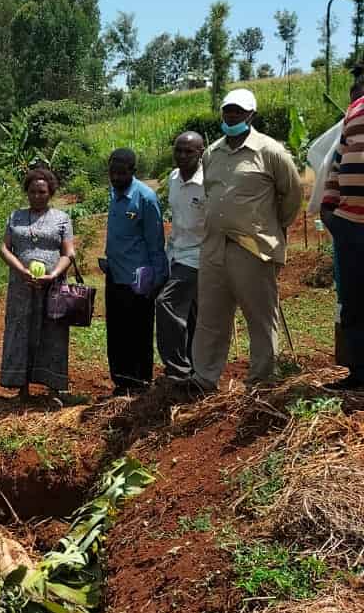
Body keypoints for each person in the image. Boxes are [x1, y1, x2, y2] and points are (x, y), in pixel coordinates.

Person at [191, 90, 302, 391]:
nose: (232, 116)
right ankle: (204, 378)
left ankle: (261, 381)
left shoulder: (270, 151)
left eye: (239, 111)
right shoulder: (212, 152)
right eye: (228, 110)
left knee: (260, 318)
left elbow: (292, 195)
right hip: (214, 248)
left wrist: (271, 228)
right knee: (210, 318)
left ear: (251, 115)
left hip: (253, 249)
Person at [0, 167, 75, 400]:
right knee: (21, 330)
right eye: (32, 191)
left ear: (50, 192)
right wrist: (22, 270)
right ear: (27, 192)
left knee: (53, 331)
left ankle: (54, 386)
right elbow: (4, 248)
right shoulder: (16, 216)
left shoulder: (62, 219)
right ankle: (21, 386)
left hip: (52, 286)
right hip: (21, 286)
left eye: (42, 192)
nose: (37, 196)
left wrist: (53, 274)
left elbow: (69, 253)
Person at [309, 66, 364, 372]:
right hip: (348, 223)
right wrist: (329, 209)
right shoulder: (354, 111)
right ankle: (358, 373)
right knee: (354, 304)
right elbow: (338, 160)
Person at [102, 148, 168, 394]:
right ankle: (121, 382)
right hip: (115, 275)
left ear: (133, 171)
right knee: (117, 331)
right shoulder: (113, 193)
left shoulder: (146, 198)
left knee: (138, 332)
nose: (116, 177)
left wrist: (158, 279)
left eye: (122, 172)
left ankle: (140, 383)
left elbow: (155, 241)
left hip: (139, 279)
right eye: (112, 172)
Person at [156, 132, 206, 381]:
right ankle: (196, 369)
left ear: (201, 152)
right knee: (192, 313)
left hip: (198, 255)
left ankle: (177, 369)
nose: (183, 156)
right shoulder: (174, 178)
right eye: (179, 151)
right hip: (175, 253)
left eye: (190, 151)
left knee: (166, 303)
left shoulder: (208, 183)